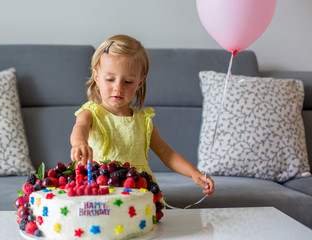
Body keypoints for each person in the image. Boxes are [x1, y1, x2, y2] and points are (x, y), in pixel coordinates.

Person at [70, 34, 214, 197]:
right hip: (101, 193)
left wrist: (194, 173)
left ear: (139, 82)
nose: (118, 87)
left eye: (128, 82)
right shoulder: (90, 113)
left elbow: (167, 154)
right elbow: (79, 128)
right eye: (110, 79)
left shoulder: (144, 122)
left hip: (139, 193)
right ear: (97, 77)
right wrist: (79, 143)